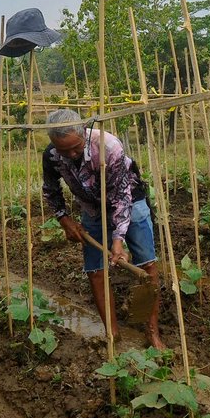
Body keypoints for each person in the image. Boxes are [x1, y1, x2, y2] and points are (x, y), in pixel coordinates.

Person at [42, 109, 165, 349]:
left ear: (84, 134)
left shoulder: (109, 147)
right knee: (96, 271)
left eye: (75, 148)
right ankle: (112, 334)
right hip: (91, 209)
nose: (71, 154)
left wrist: (118, 240)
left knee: (147, 264)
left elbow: (121, 197)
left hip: (131, 200)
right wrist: (64, 219)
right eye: (64, 150)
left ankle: (152, 332)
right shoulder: (53, 154)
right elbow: (51, 189)